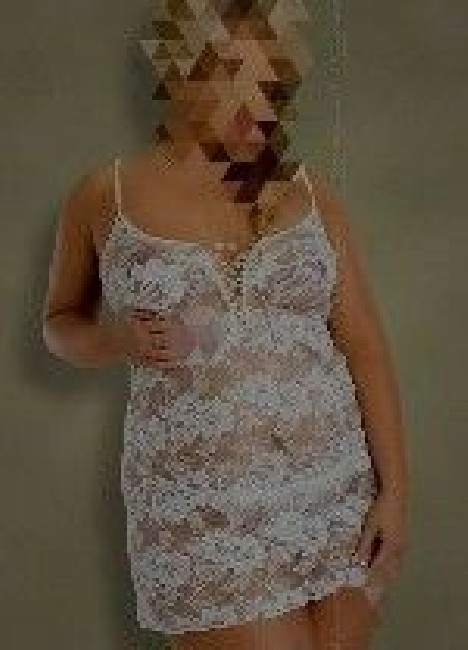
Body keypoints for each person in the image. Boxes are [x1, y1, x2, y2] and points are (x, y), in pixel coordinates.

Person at [42, 4, 408, 649]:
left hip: (333, 491)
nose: (255, 102)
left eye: (270, 82)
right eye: (233, 76)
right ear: (180, 75)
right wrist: (119, 338)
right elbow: (58, 323)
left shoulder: (309, 193)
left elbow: (365, 345)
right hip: (205, 512)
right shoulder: (106, 195)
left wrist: (395, 495)